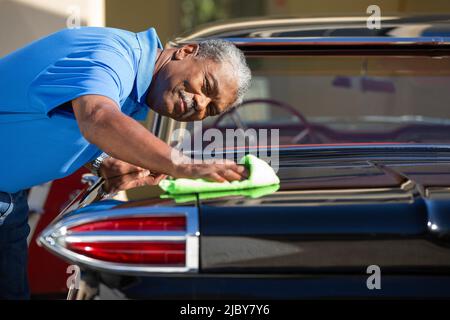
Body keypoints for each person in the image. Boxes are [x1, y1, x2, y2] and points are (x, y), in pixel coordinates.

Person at [0, 26, 251, 299]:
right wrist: (183, 165)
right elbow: (97, 117)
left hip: (10, 200)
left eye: (211, 109)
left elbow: (68, 118)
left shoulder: (133, 86)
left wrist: (103, 160)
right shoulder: (113, 54)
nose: (200, 105)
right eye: (206, 86)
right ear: (186, 52)